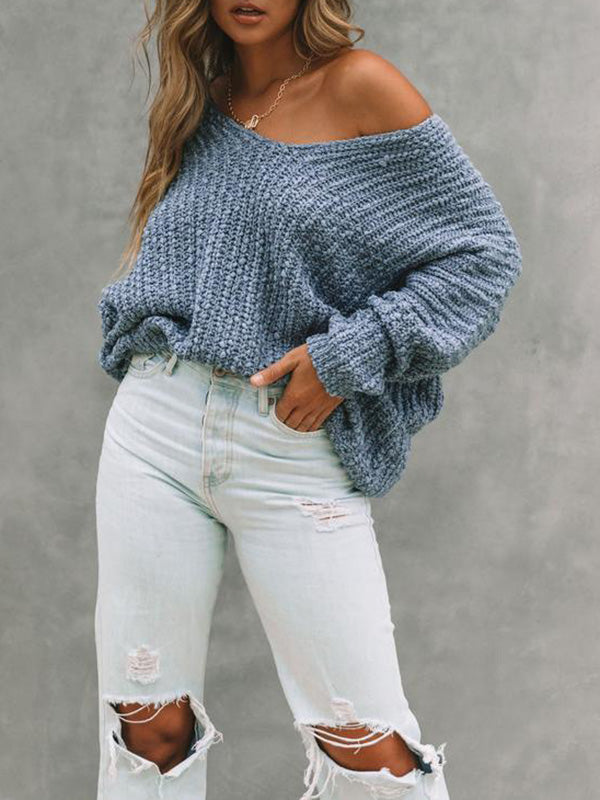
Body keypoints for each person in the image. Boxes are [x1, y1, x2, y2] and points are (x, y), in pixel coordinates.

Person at [94, 1, 522, 799]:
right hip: (154, 433)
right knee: (148, 728)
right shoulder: (205, 100)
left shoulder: (361, 86)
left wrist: (345, 357)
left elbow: (484, 256)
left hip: (288, 447)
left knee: (363, 741)